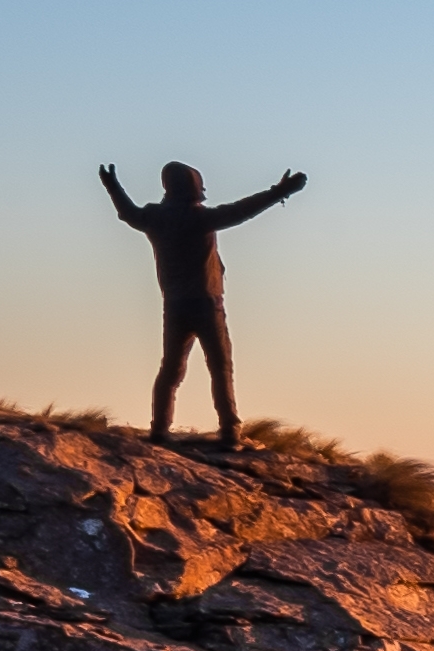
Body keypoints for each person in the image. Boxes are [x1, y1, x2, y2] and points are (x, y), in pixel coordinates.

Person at [98, 158, 309, 441]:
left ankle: (160, 429)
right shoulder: (200, 218)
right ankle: (230, 431)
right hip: (207, 305)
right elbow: (244, 210)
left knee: (171, 370)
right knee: (220, 367)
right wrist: (280, 191)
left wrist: (113, 186)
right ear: (195, 187)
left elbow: (128, 213)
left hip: (174, 306)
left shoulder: (155, 219)